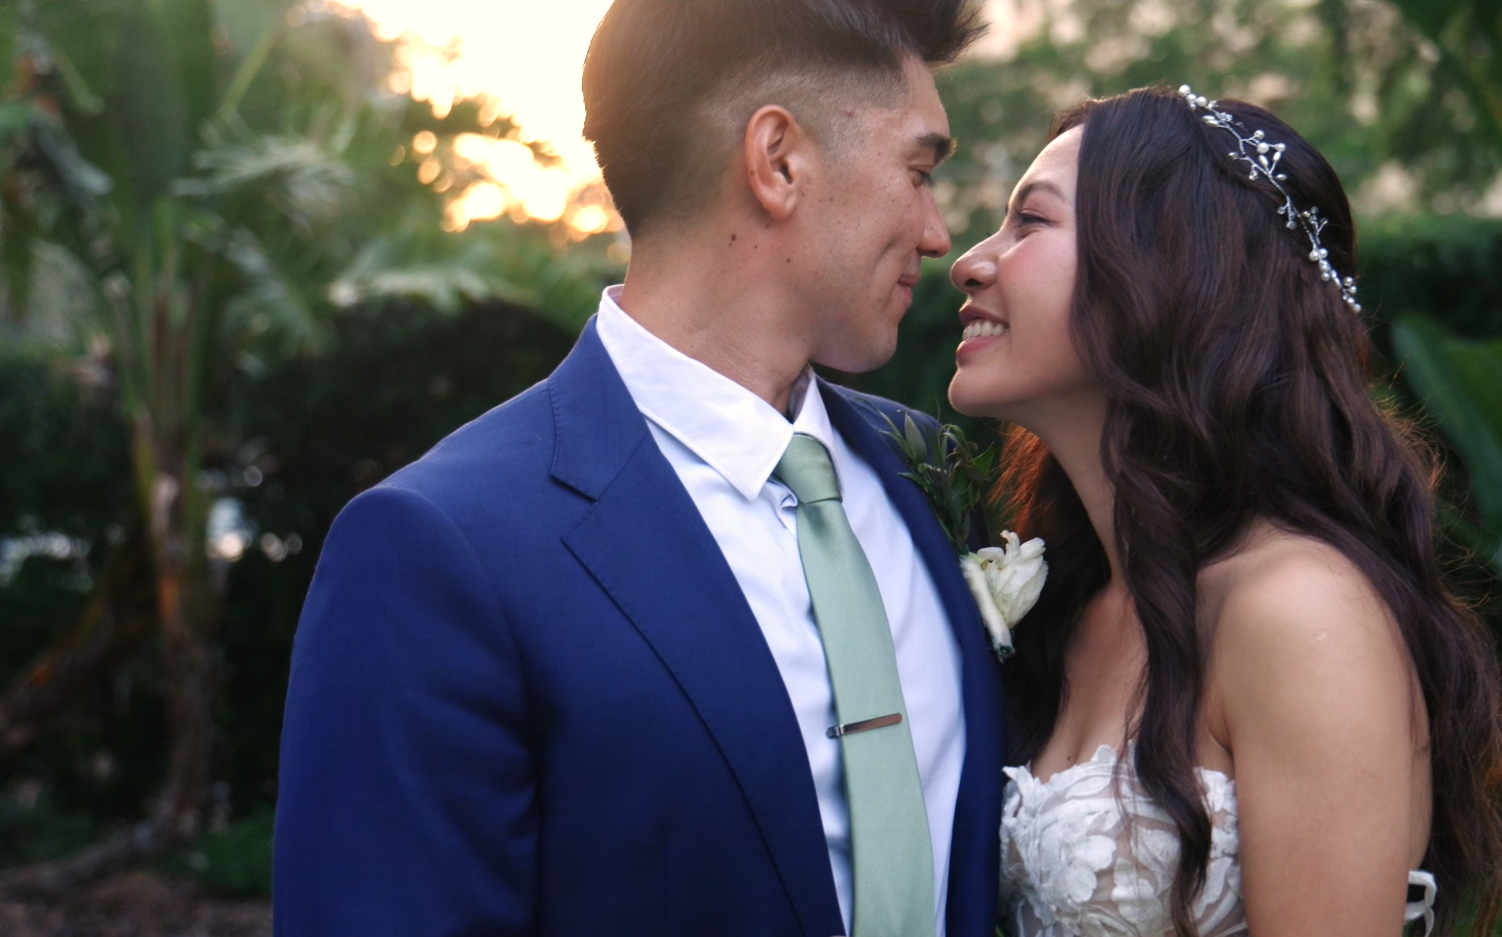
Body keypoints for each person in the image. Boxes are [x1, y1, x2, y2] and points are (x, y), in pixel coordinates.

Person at [272, 3, 1001, 935]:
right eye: (919, 170)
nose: (940, 233)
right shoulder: (439, 546)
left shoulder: (929, 473)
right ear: (778, 160)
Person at [947, 87, 1502, 936]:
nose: (968, 260)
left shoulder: (1298, 610)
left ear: (1167, 267)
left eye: (1031, 222)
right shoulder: (1070, 597)